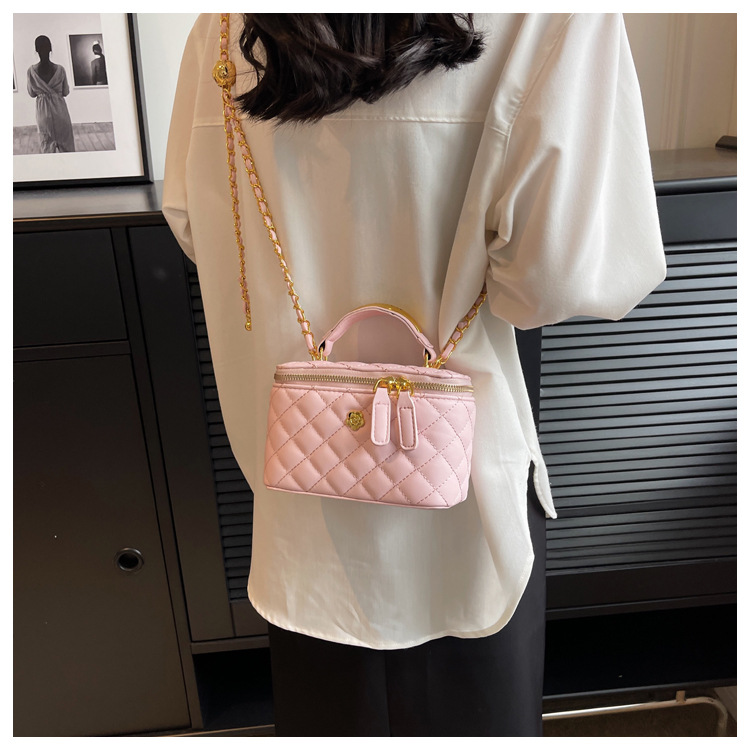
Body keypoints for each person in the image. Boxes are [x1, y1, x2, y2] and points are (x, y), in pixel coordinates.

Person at [163, 13, 666, 736]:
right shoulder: (556, 19)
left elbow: (193, 223)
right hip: (468, 497)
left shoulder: (222, 29)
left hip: (302, 507)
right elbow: (555, 282)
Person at [26, 34, 75, 153]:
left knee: (47, 149)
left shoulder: (31, 71)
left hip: (43, 114)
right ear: (50, 48)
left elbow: (31, 93)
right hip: (60, 112)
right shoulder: (60, 69)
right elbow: (65, 92)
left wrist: (42, 92)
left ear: (36, 50)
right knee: (67, 149)